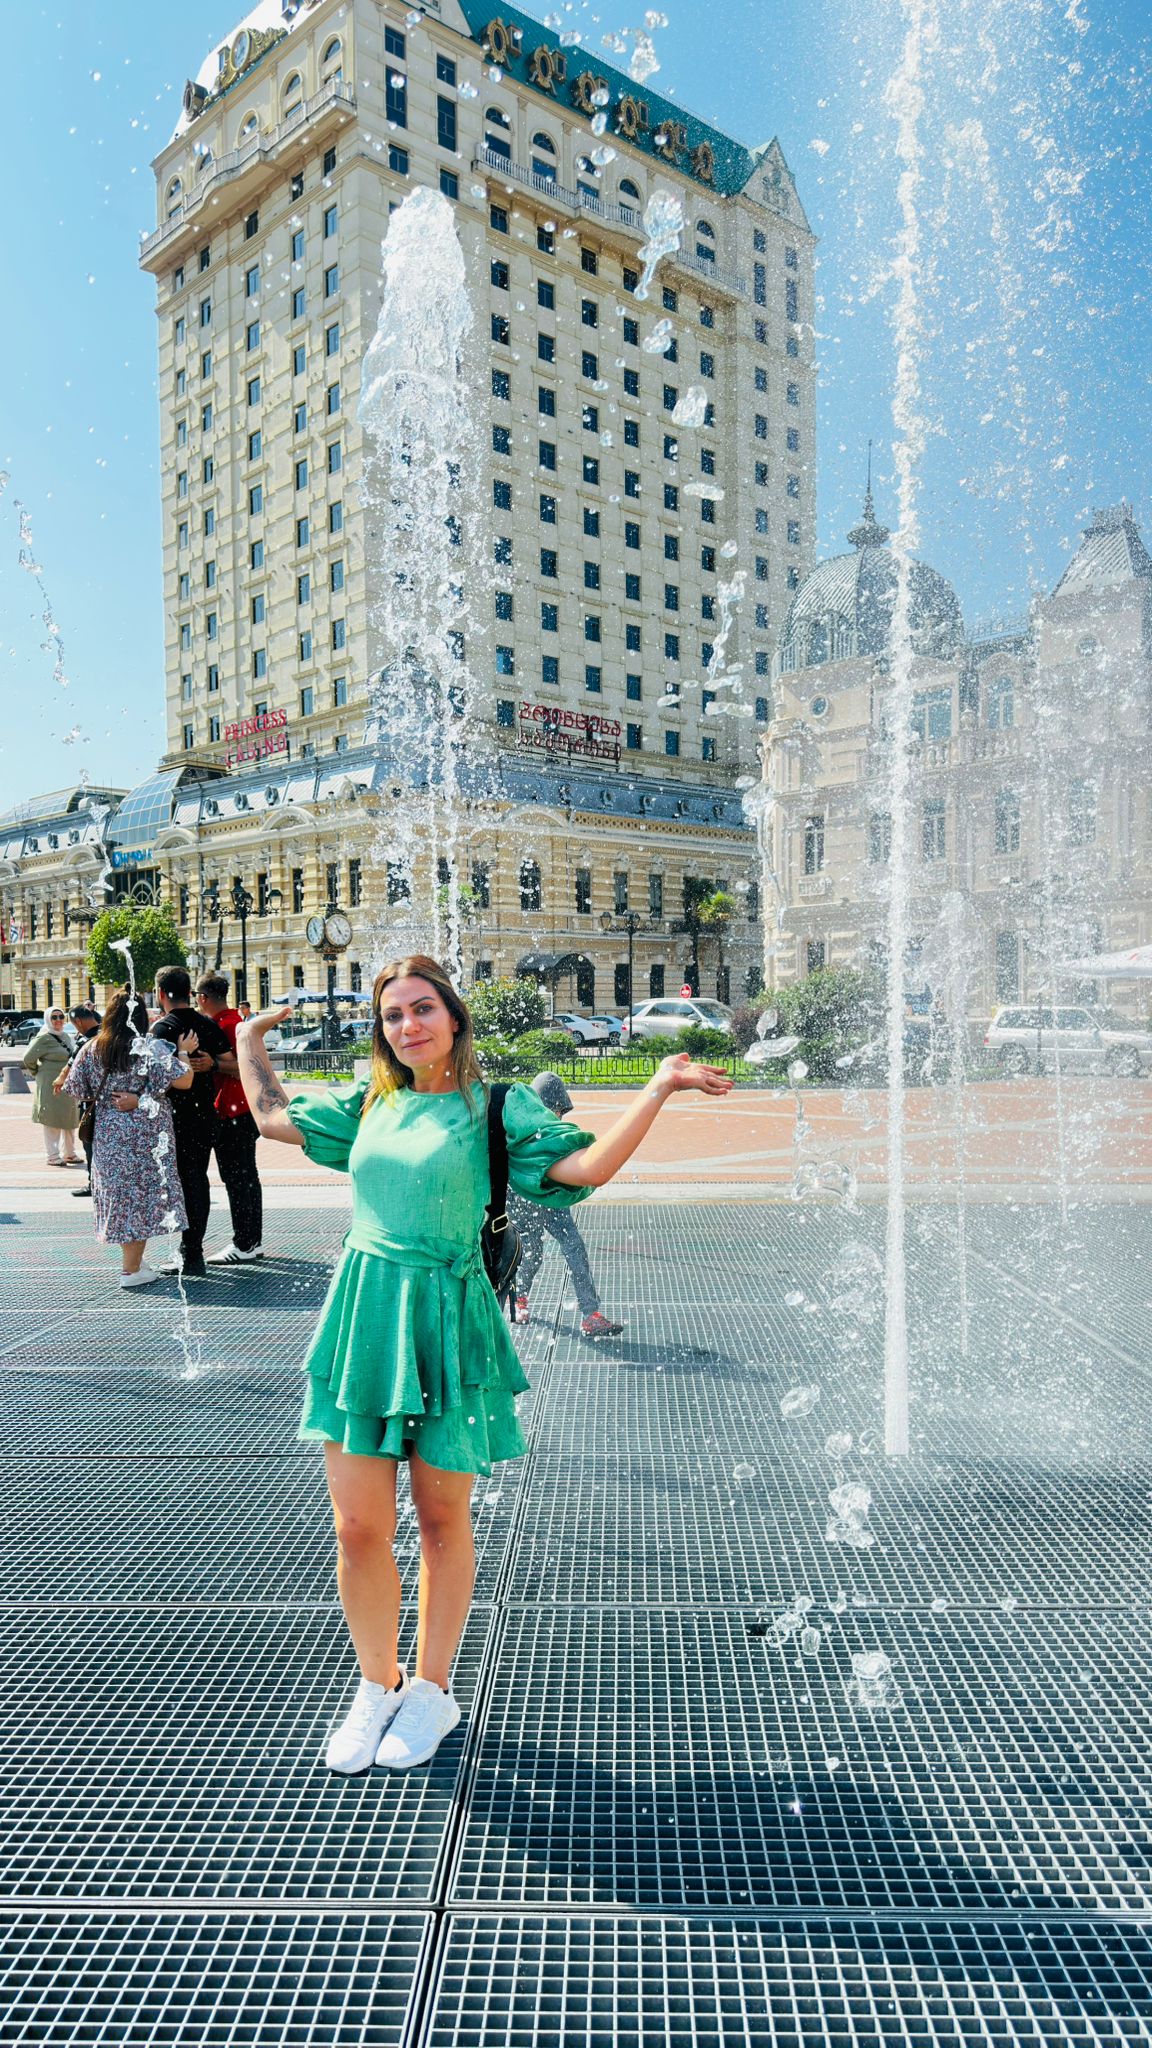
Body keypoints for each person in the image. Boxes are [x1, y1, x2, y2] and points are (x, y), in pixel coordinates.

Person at [236, 954, 732, 1775]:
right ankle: (377, 1684)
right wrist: (250, 1040)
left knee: (441, 1520)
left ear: (454, 1016)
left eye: (422, 1008)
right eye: (393, 1015)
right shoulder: (369, 1103)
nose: (408, 1026)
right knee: (358, 1527)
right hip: (366, 1317)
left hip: (451, 1319)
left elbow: (583, 1171)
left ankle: (432, 1690)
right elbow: (272, 1117)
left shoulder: (497, 1108)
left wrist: (656, 1088)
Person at [63, 990, 197, 1288]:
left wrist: (108, 1097)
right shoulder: (147, 1047)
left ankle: (133, 1262)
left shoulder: (93, 1047)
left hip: (109, 1137)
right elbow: (185, 1080)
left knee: (122, 1198)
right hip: (146, 1136)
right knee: (142, 1198)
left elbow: (75, 1090)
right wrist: (183, 1052)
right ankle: (131, 1270)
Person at [511, 1070, 623, 1338]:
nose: (558, 1115)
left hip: (553, 1202)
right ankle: (519, 1299)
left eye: (561, 1111)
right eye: (555, 1109)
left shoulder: (556, 1131)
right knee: (531, 1253)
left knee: (575, 1248)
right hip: (524, 1203)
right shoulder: (521, 1130)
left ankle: (590, 1314)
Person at [150, 964, 234, 1279]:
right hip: (205, 1114)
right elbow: (229, 1063)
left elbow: (155, 1077)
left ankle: (189, 1253)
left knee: (181, 1183)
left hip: (174, 1118)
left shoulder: (162, 1029)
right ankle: (192, 1248)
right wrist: (211, 1065)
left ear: (160, 993)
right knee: (197, 1179)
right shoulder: (206, 1024)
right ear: (190, 993)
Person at [196, 972, 264, 1264]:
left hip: (230, 1111)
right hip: (244, 1110)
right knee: (247, 1177)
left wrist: (213, 1065)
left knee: (237, 1179)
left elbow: (243, 1066)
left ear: (203, 998)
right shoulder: (238, 1022)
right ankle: (252, 1241)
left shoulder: (222, 1026)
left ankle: (244, 1243)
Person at [22, 1007, 83, 1167]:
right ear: (48, 1019)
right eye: (54, 1017)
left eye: (61, 1016)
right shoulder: (43, 1038)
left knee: (69, 1117)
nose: (58, 1020)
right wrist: (38, 1072)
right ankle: (53, 1156)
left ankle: (69, 1153)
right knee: (52, 1119)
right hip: (50, 1083)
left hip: (67, 1083)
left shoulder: (65, 1036)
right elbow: (28, 1058)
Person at [52, 1004, 102, 1196]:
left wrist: (60, 1080)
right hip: (114, 1101)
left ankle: (93, 1184)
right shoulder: (108, 1033)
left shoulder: (85, 1041)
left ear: (79, 1022)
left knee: (89, 1142)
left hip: (91, 1102)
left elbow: (71, 1065)